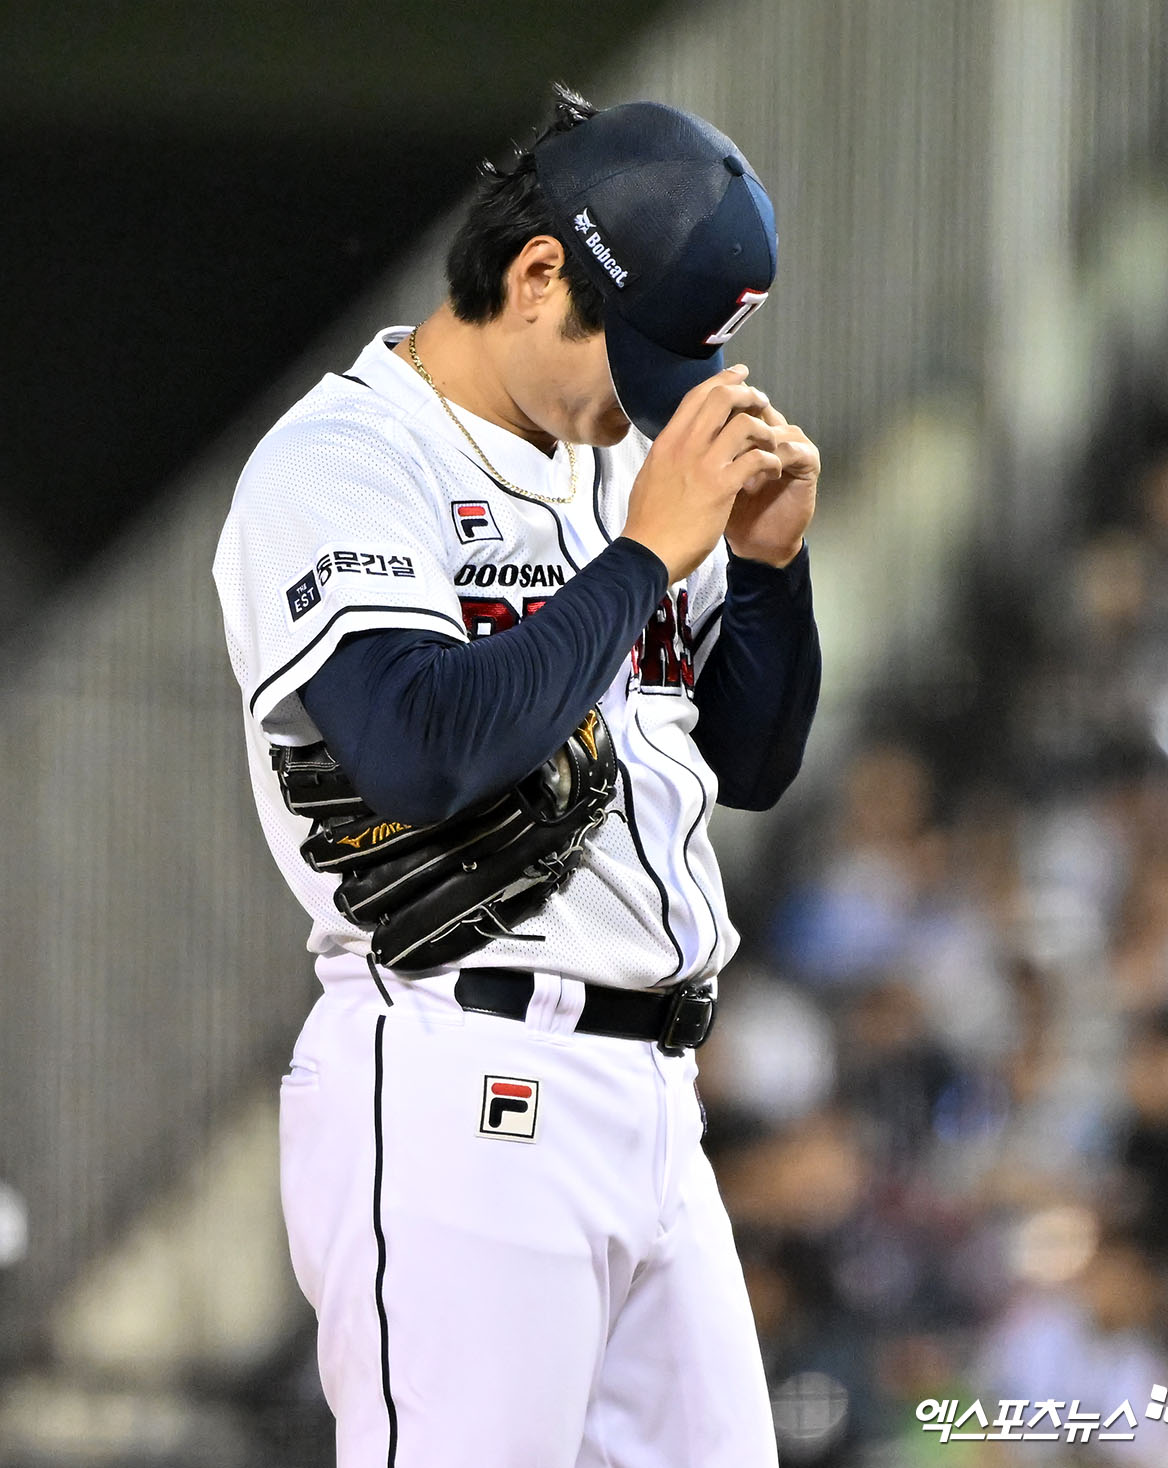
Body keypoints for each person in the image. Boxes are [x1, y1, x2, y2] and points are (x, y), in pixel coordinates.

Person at [213, 86, 821, 1468]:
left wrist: (772, 574)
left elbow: (756, 760)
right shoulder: (346, 458)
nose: (646, 400)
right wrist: (642, 561)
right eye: (641, 351)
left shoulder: (624, 475)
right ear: (541, 272)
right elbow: (420, 748)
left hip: (657, 1104)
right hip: (463, 1072)